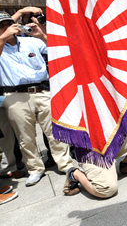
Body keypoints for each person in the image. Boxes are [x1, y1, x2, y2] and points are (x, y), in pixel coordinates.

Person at [0, 11, 73, 187]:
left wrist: (42, 35)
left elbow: (58, 50)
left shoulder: (30, 41)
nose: (6, 28)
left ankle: (65, 164)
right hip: (14, 95)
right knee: (25, 136)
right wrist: (3, 39)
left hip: (41, 90)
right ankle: (34, 169)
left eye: (8, 24)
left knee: (54, 130)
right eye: (1, 26)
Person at [63, 80, 127, 198]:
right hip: (91, 152)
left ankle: (126, 165)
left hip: (112, 144)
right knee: (107, 190)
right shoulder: (84, 99)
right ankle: (74, 174)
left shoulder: (120, 98)